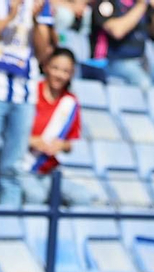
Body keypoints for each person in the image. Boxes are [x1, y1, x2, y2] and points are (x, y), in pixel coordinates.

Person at [0, 0, 56, 207]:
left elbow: (45, 55)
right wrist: (7, 19)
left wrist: (34, 19)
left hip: (24, 94)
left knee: (14, 169)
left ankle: (8, 228)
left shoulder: (40, 4)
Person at [24, 47, 87, 202]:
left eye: (65, 71)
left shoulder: (71, 102)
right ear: (46, 67)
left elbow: (70, 144)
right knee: (36, 196)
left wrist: (61, 145)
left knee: (83, 197)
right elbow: (6, 133)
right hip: (22, 166)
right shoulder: (29, 92)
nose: (59, 75)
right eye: (55, 68)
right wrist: (31, 141)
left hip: (49, 169)